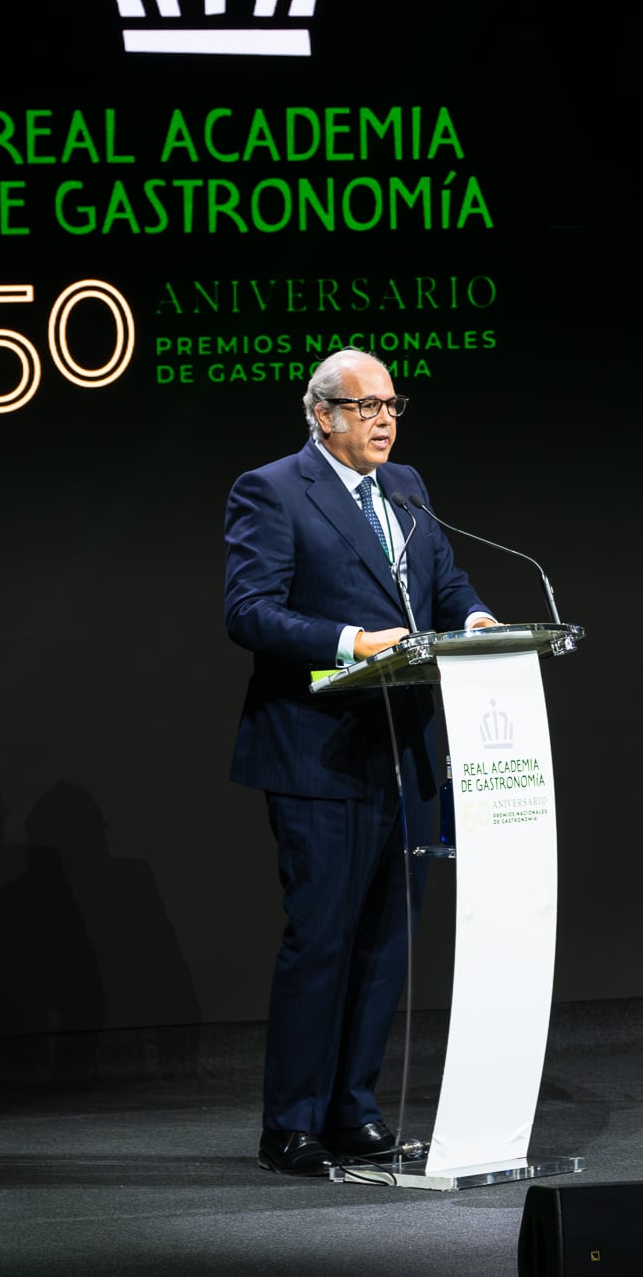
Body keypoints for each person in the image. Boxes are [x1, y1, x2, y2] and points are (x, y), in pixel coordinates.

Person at [224, 347, 496, 1175]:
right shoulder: (272, 490)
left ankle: (354, 1110)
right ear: (322, 414)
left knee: (388, 941)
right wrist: (347, 641)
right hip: (319, 752)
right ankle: (293, 1124)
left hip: (406, 750)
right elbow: (250, 612)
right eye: (364, 404)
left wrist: (478, 618)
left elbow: (444, 586)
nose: (384, 418)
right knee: (324, 939)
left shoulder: (407, 487)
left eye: (391, 404)